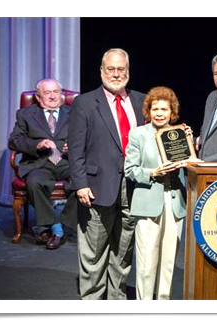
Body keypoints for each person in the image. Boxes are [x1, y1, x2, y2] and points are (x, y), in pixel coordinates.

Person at [68, 48, 145, 300]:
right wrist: (80, 184)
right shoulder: (85, 103)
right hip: (96, 187)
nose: (115, 74)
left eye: (121, 69)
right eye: (110, 69)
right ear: (101, 71)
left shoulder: (141, 101)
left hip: (134, 188)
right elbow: (76, 148)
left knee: (123, 250)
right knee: (94, 252)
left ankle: (117, 298)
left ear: (128, 71)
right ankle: (92, 299)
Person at [124, 86, 193, 300]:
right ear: (148, 111)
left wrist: (190, 144)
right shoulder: (138, 134)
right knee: (146, 263)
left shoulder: (179, 134)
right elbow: (130, 169)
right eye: (155, 109)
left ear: (172, 112)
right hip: (148, 202)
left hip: (174, 202)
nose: (160, 113)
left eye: (164, 109)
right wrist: (152, 172)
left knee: (168, 261)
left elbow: (190, 164)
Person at [8, 78, 77, 250]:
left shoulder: (75, 113)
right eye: (47, 93)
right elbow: (14, 141)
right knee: (34, 182)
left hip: (66, 161)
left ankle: (62, 223)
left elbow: (89, 138)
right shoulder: (25, 114)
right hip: (40, 163)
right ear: (39, 97)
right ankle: (56, 228)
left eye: (56, 92)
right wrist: (36, 145)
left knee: (86, 180)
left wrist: (74, 146)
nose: (53, 96)